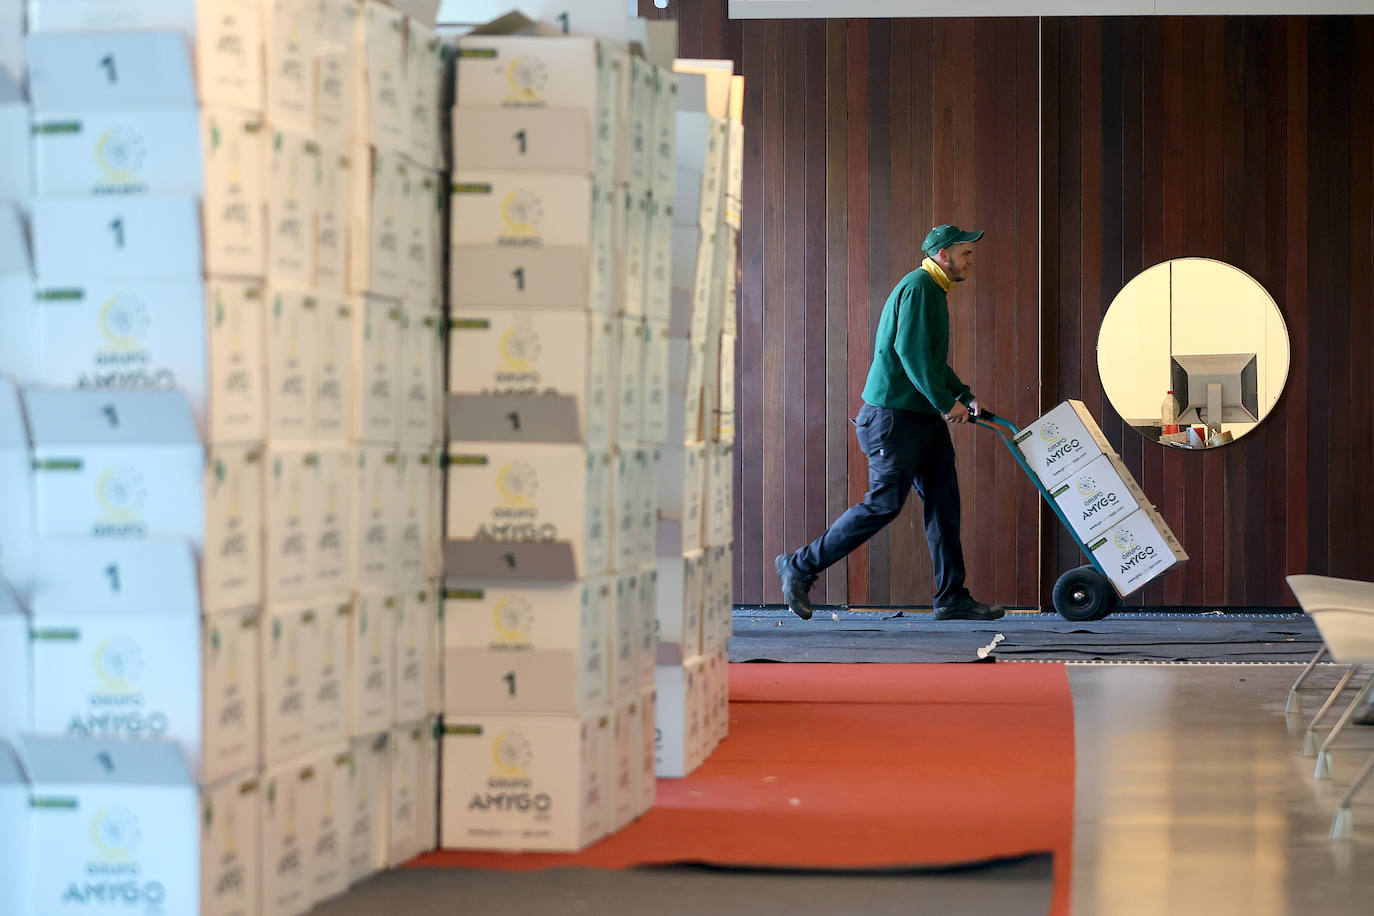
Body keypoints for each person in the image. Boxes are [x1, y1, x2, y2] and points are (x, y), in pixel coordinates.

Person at [774, 225, 1004, 622]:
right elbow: (911, 354)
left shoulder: (933, 289)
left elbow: (930, 361)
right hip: (893, 420)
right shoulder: (918, 288)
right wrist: (947, 403)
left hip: (919, 420)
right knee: (883, 504)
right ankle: (799, 565)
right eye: (966, 253)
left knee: (943, 502)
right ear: (944, 255)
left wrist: (963, 395)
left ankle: (952, 597)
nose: (971, 261)